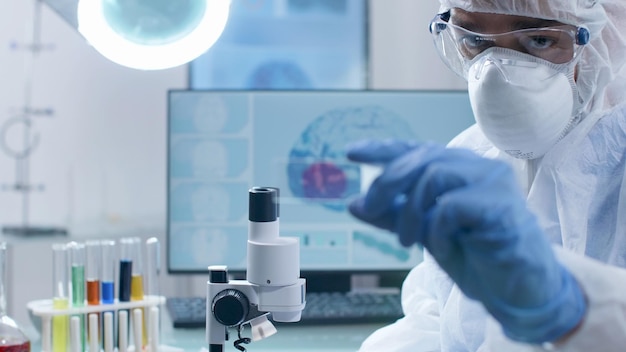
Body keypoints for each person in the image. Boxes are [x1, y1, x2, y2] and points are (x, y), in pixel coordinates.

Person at [347, 1, 626, 351]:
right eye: (475, 41)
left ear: (605, 37)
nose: (494, 73)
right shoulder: (471, 155)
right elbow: (437, 321)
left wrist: (578, 310)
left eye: (539, 40)